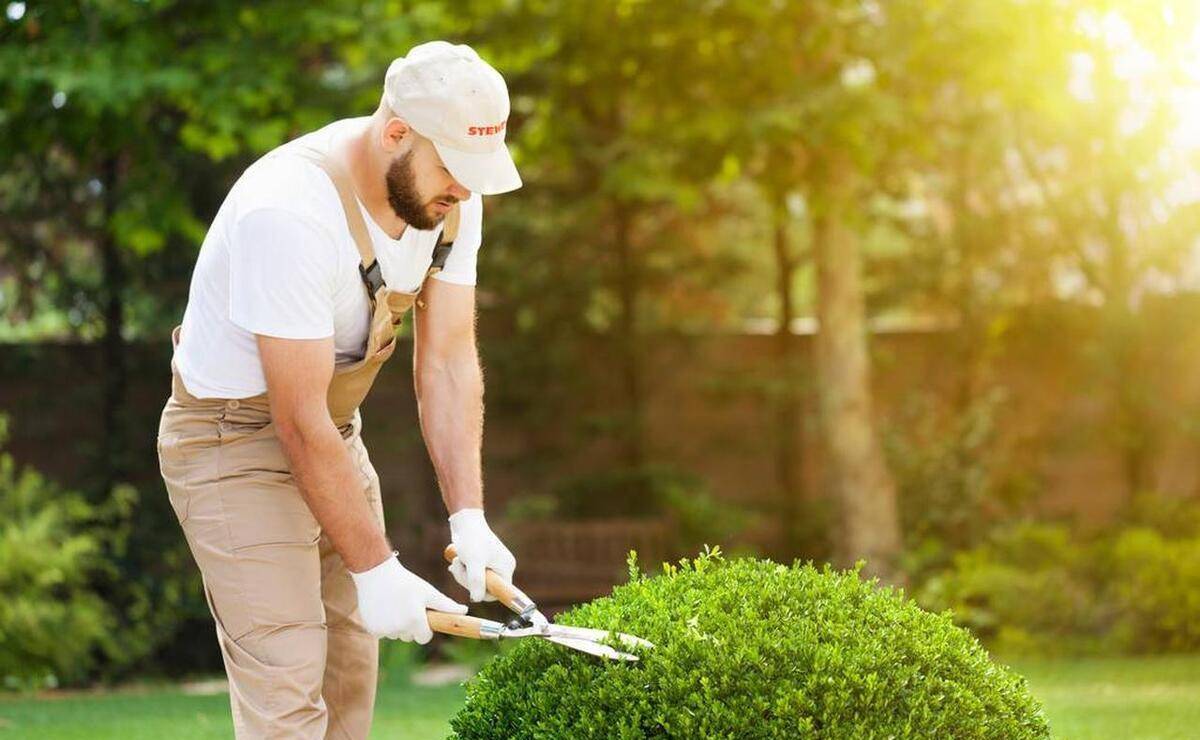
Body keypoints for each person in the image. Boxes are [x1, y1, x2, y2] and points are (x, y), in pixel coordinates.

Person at [155, 40, 520, 739]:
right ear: (395, 133)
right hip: (232, 442)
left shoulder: (449, 201)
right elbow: (294, 418)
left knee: (348, 680)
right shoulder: (288, 212)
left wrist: (468, 517)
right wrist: (377, 568)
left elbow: (447, 363)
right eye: (453, 168)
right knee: (288, 687)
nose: (466, 193)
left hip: (332, 433)